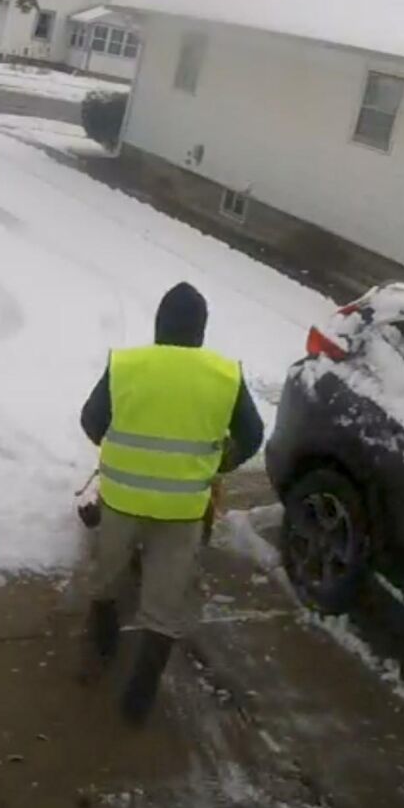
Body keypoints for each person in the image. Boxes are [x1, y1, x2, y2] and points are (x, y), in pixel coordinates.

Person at [80, 281, 264, 724]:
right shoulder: (225, 375)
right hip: (181, 511)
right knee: (165, 602)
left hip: (122, 502)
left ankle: (104, 638)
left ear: (159, 324)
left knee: (108, 573)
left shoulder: (127, 364)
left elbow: (91, 421)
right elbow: (253, 435)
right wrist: (218, 462)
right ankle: (139, 696)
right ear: (200, 330)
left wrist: (124, 455)